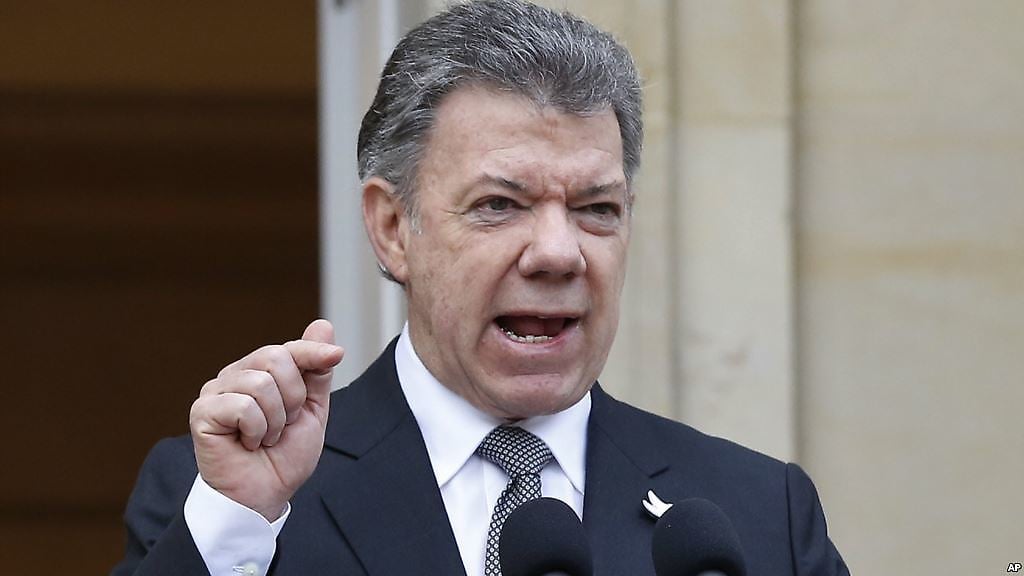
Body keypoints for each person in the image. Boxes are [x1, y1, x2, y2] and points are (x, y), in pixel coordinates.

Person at [113, 1, 849, 575]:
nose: (559, 253)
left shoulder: (756, 514)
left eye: (597, 209)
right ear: (393, 228)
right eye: (500, 204)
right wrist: (238, 526)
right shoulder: (236, 497)